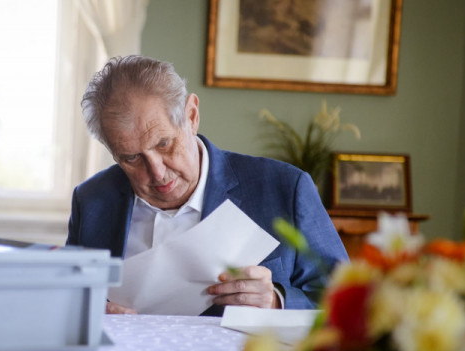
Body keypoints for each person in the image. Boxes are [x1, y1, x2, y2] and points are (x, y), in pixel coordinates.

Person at [66, 55, 348, 316]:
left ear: (191, 116)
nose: (156, 171)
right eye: (131, 158)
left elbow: (347, 302)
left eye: (164, 144)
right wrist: (89, 312)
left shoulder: (285, 188)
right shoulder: (91, 201)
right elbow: (68, 300)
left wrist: (276, 301)